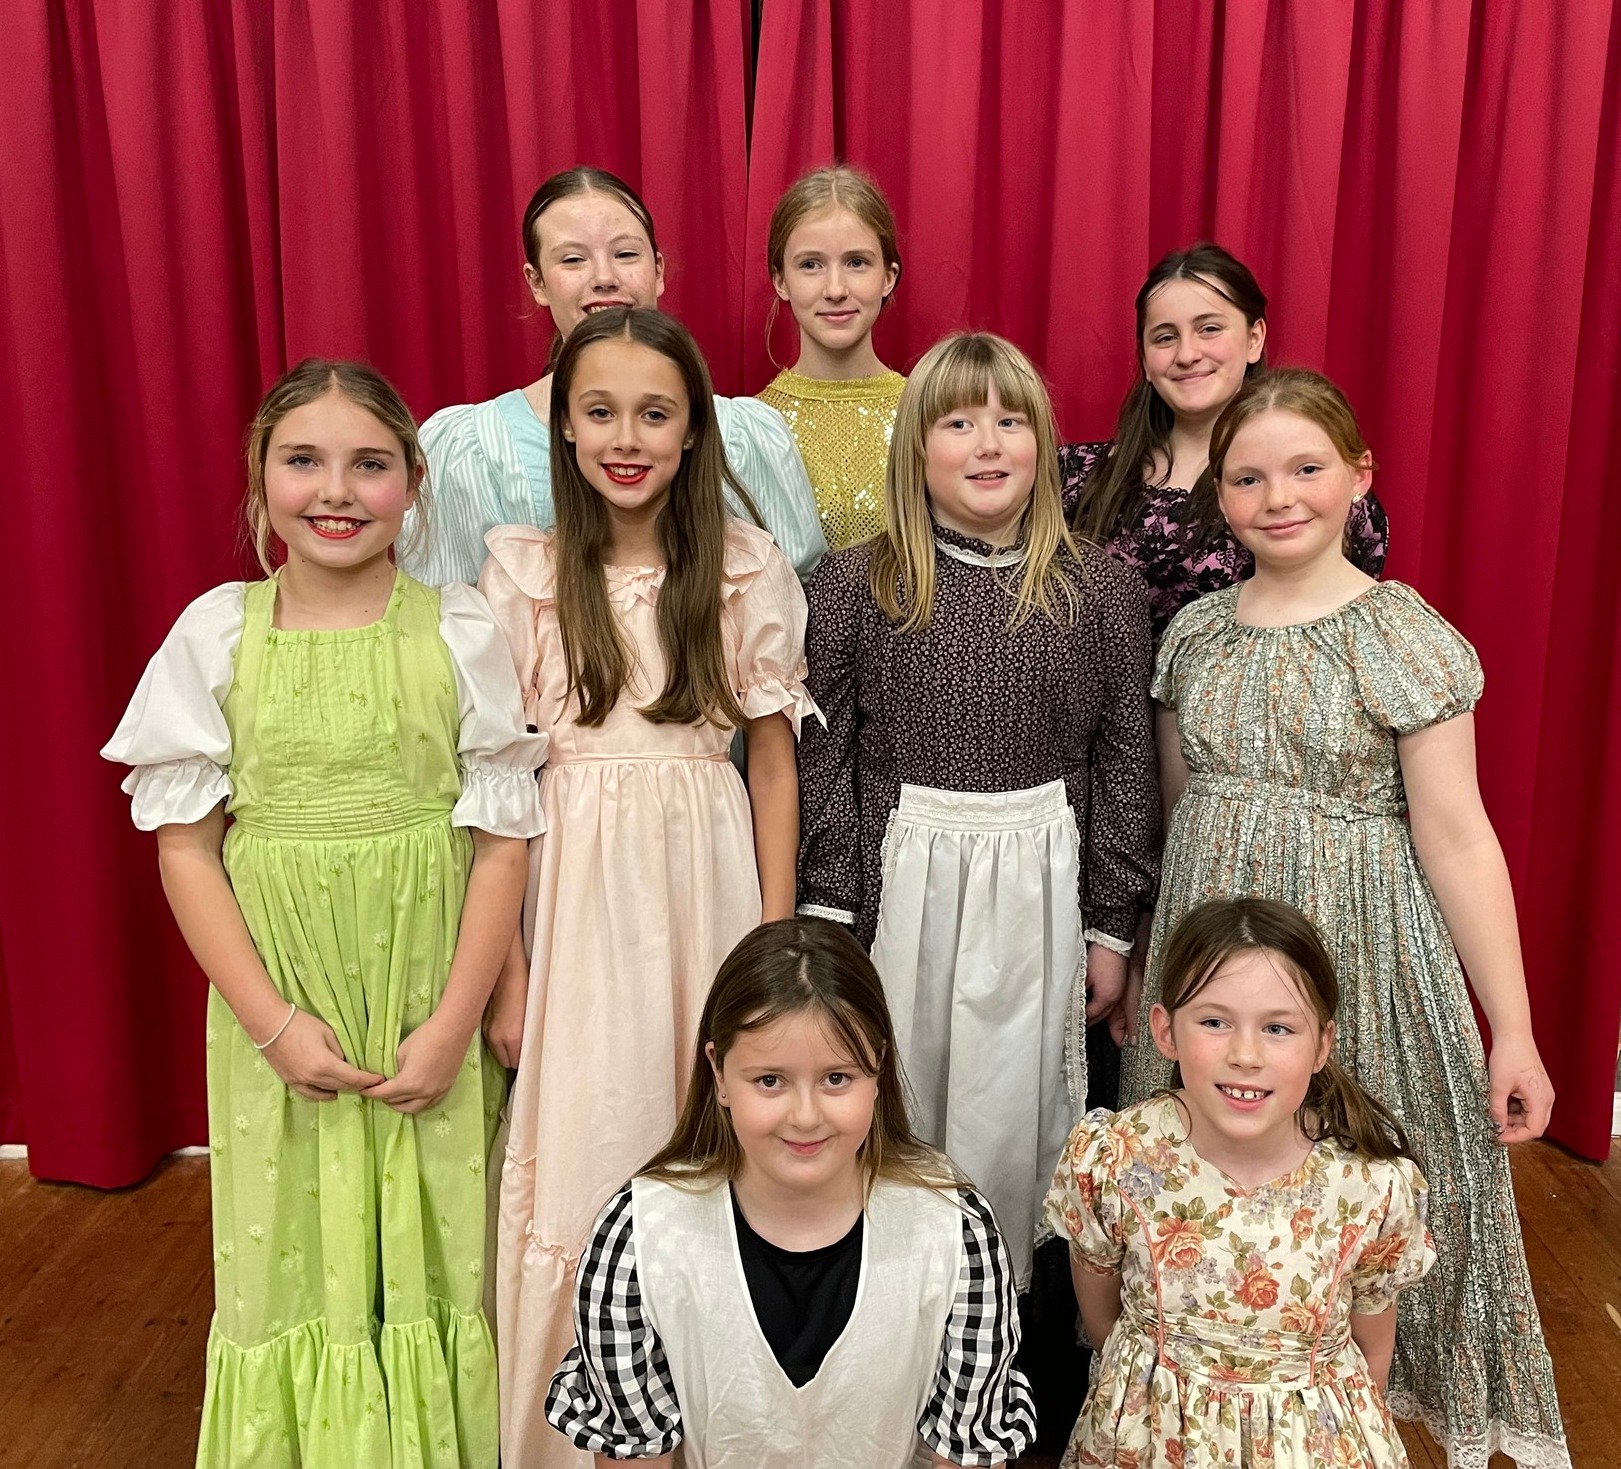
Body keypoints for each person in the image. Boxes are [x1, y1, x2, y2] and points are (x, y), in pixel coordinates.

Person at [1120, 369, 1569, 1466]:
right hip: (1211, 956)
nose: (1278, 496)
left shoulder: (1399, 634)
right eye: (1248, 477)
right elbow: (1178, 820)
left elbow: (1457, 836)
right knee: (1211, 1190)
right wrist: (1145, 971)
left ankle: (1354, 1419)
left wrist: (1511, 1027)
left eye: (1306, 469)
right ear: (1218, 496)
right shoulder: (1194, 637)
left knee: (1359, 1190)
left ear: (1358, 477)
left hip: (1358, 954)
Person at [102, 360, 546, 1468]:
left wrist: (454, 1023)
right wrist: (271, 1023)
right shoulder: (216, 633)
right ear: (261, 478)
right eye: (303, 460)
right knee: (292, 1252)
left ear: (414, 484)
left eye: (369, 464)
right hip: (283, 1007)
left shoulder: (460, 629)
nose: (336, 490)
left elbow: (501, 840)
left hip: (424, 1000)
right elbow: (186, 848)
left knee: (437, 1252)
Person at [478, 306, 816, 1467]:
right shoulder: (523, 573)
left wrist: (773, 942)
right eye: (601, 411)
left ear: (692, 431)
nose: (627, 436)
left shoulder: (744, 567)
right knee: (590, 1133)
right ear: (566, 428)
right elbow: (498, 785)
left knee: (706, 1135)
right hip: (573, 895)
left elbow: (772, 763)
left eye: (654, 413)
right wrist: (510, 971)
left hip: (706, 885)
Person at [796, 331, 1159, 1289]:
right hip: (898, 890)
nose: (987, 444)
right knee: (900, 1093)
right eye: (958, 423)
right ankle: (896, 1298)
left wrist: (1111, 926)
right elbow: (824, 756)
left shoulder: (1102, 589)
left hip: (1042, 890)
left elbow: (1125, 759)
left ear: (1043, 441)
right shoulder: (855, 584)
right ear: (917, 444)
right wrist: (830, 910)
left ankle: (1005, 1312)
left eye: (1010, 421)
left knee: (1014, 1102)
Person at [546, 916, 1037, 1467]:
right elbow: (636, 1455)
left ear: (877, 1069)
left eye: (836, 1078)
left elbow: (962, 1453)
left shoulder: (956, 1232)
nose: (805, 1117)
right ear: (719, 1074)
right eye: (770, 1081)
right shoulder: (637, 1239)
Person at [1048, 897, 1435, 1469]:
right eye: (1214, 1022)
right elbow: (1102, 1313)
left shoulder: (1369, 1186)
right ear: (1166, 1031)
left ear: (1321, 1046)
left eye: (1278, 1028)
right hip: (1148, 1438)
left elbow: (1373, 1350)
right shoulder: (1114, 1158)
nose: (1246, 1055)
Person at [405, 165, 825, 586]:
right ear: (537, 282)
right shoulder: (472, 448)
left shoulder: (742, 437)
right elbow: (448, 612)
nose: (604, 278)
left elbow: (793, 595)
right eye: (573, 260)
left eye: (625, 255)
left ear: (658, 271)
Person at [1064, 243, 1389, 639]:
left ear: (1254, 339)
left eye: (1209, 329)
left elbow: (1340, 637)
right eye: (1165, 337)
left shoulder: (1322, 492)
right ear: (1146, 360)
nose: (1187, 354)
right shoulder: (1076, 476)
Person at [757, 165, 906, 550]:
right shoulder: (752, 428)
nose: (836, 289)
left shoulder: (926, 411)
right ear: (781, 281)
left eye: (856, 262)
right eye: (811, 265)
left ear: (888, 277)